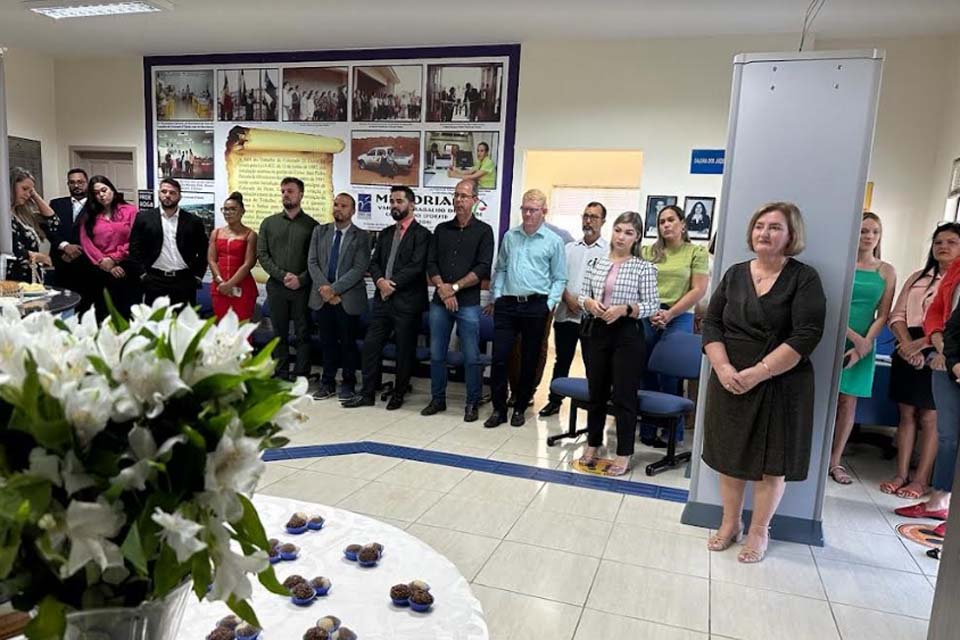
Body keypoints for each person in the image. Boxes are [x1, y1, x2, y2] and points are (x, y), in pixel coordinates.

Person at [701, 202, 825, 563]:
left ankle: (758, 531)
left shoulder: (805, 278)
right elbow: (712, 324)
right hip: (729, 378)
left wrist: (759, 372)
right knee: (729, 455)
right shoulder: (735, 273)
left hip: (780, 382)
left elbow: (807, 334)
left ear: (791, 236)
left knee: (773, 462)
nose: (764, 233)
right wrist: (723, 367)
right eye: (759, 226)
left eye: (774, 227)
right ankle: (729, 524)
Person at [577, 211, 659, 476]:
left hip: (627, 334)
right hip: (597, 331)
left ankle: (624, 452)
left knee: (624, 395)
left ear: (636, 238)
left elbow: (652, 305)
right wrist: (588, 303)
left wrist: (625, 308)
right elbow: (582, 296)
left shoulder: (643, 267)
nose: (621, 237)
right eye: (618, 230)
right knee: (596, 392)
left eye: (629, 233)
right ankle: (592, 444)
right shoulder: (596, 263)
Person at [881, 224, 960, 498]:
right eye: (939, 241)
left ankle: (921, 479)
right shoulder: (918, 277)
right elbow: (897, 314)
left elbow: (947, 324)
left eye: (952, 242)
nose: (944, 246)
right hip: (907, 346)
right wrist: (905, 345)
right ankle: (901, 473)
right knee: (906, 415)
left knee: (930, 416)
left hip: (940, 350)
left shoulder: (956, 282)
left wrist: (924, 345)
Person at [342, 186, 430, 410]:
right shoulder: (386, 233)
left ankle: (399, 394)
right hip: (383, 299)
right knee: (371, 345)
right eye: (392, 201)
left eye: (399, 201)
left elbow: (417, 266)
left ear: (411, 204)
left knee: (404, 350)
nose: (394, 205)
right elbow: (374, 262)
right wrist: (381, 281)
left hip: (407, 302)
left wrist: (393, 284)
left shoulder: (423, 235)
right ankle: (367, 393)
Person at [485, 189, 567, 428]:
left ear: (544, 212)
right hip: (508, 305)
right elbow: (500, 268)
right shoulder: (511, 236)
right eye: (525, 209)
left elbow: (560, 278)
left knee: (530, 359)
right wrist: (498, 295)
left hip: (535, 305)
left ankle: (520, 407)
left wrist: (548, 304)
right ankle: (498, 409)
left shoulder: (554, 241)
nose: (528, 214)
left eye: (533, 210)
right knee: (499, 358)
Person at [895, 248, 960, 536]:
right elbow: (936, 314)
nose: (944, 246)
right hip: (946, 358)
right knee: (948, 436)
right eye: (940, 241)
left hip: (949, 358)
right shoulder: (954, 270)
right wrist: (942, 346)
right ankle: (938, 502)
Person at [828, 212, 896, 485]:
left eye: (874, 232)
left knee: (848, 402)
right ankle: (815, 456)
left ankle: (835, 461)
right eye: (864, 231)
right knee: (826, 399)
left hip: (866, 343)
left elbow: (883, 314)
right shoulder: (843, 265)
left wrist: (864, 345)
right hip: (837, 336)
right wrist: (855, 338)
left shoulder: (886, 271)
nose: (869, 237)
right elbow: (834, 306)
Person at [422, 179, 494, 423]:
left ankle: (472, 402)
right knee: (437, 353)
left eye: (464, 196)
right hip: (439, 301)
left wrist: (454, 288)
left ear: (475, 200)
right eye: (456, 196)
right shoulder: (442, 229)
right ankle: (437, 398)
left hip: (468, 303)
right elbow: (431, 262)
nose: (459, 200)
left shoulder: (484, 231)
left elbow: (483, 267)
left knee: (472, 356)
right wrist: (443, 288)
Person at [639, 205, 709, 445]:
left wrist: (669, 314)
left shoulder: (695, 252)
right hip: (649, 314)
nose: (666, 225)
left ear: (682, 224)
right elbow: (639, 284)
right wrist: (650, 310)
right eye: (661, 222)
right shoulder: (648, 252)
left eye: (671, 220)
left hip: (679, 316)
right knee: (646, 371)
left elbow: (698, 289)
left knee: (670, 374)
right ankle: (647, 431)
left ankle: (673, 432)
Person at [539, 201, 608, 417]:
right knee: (562, 360)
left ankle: (593, 405)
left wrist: (586, 303)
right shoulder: (568, 248)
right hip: (565, 314)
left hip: (592, 319)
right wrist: (568, 299)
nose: (588, 220)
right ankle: (554, 400)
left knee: (592, 363)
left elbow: (608, 285)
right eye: (586, 215)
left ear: (603, 221)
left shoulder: (609, 251)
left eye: (594, 217)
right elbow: (557, 277)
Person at [307, 193, 371, 401]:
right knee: (327, 343)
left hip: (347, 298)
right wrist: (325, 290)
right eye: (336, 205)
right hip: (322, 297)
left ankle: (349, 383)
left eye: (343, 206)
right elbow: (312, 262)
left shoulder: (362, 236)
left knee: (348, 343)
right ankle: (327, 383)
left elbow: (359, 268)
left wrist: (333, 290)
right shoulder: (320, 231)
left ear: (352, 211)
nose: (338, 209)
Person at [257, 177, 318, 380]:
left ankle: (301, 374)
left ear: (301, 194)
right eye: (283, 191)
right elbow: (263, 255)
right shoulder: (269, 223)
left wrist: (301, 279)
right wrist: (283, 276)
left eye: (290, 191)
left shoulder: (313, 226)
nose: (285, 194)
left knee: (302, 333)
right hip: (277, 287)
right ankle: (281, 373)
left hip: (302, 288)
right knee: (279, 333)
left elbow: (316, 260)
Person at [129, 178, 208, 307]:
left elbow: (204, 250)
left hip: (184, 280)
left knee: (184, 323)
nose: (167, 195)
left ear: (179, 196)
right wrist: (142, 274)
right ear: (159, 194)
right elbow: (134, 248)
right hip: (154, 279)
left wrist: (198, 275)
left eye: (172, 192)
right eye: (164, 191)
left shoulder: (193, 221)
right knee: (156, 323)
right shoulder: (144, 218)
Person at [78, 175, 140, 319]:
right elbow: (86, 242)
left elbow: (136, 239)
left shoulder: (130, 210)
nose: (101, 195)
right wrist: (104, 262)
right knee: (102, 313)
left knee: (126, 312)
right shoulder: (89, 215)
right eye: (96, 193)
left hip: (126, 267)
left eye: (104, 190)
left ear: (112, 189)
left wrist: (115, 258)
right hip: (99, 270)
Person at [208, 192, 258, 321]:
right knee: (222, 328)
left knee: (242, 328)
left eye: (232, 209)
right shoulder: (216, 233)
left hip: (242, 287)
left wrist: (230, 284)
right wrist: (221, 282)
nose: (228, 212)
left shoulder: (250, 234)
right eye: (225, 209)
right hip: (220, 287)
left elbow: (248, 264)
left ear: (242, 211)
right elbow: (211, 260)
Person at [8, 167, 58, 283]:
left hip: (30, 278)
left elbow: (54, 222)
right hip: (13, 280)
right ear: (10, 187)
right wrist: (41, 257)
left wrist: (34, 195)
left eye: (30, 192)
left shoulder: (23, 215)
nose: (28, 195)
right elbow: (13, 249)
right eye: (24, 189)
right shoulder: (4, 217)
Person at [48, 168, 89, 293]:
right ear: (68, 184)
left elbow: (99, 234)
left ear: (87, 183)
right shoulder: (56, 204)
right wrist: (65, 246)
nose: (76, 185)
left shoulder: (97, 206)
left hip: (87, 265)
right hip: (61, 263)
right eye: (72, 182)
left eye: (80, 182)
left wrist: (75, 251)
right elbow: (49, 229)